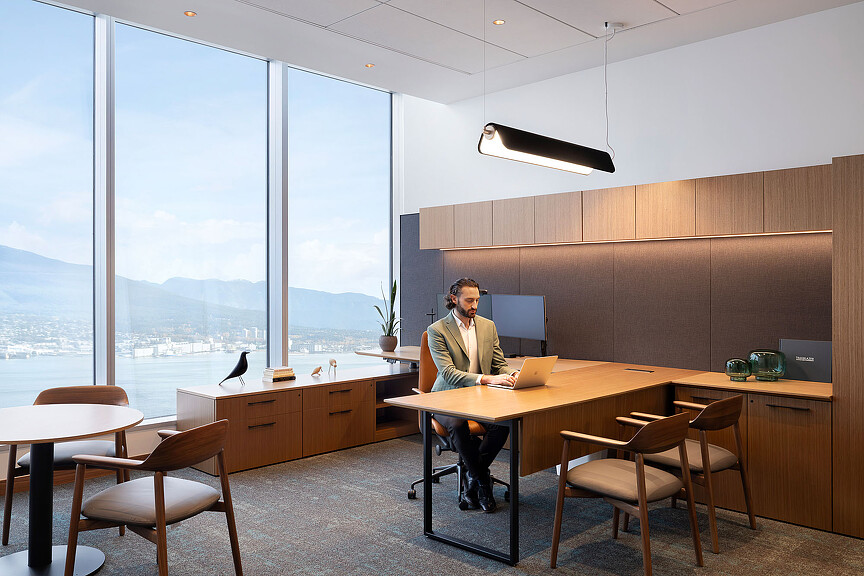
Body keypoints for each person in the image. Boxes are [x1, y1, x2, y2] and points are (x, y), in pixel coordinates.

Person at [427, 277, 518, 513]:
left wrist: (513, 374)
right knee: (458, 425)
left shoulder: (488, 326)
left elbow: (499, 364)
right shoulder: (437, 330)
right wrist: (486, 379)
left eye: (477, 300)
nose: (474, 305)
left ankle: (471, 481)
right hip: (446, 397)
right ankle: (481, 483)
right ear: (454, 298)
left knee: (505, 422)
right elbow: (448, 373)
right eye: (469, 300)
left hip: (480, 399)